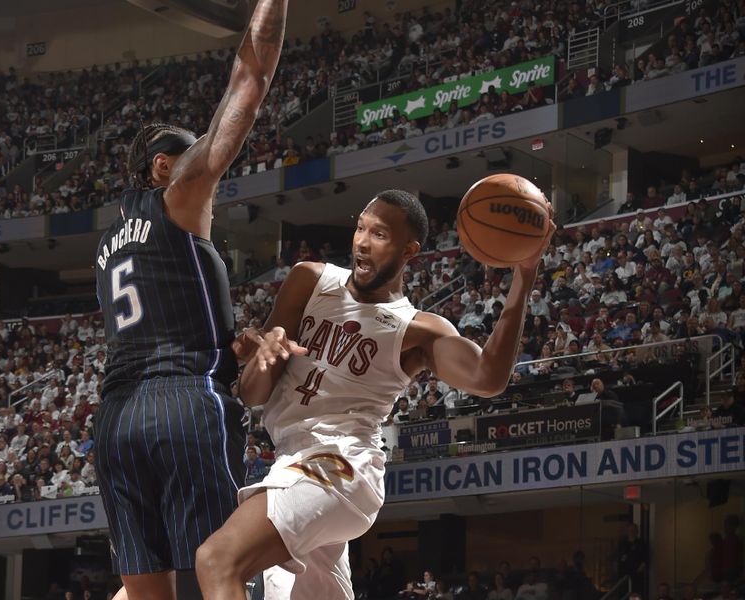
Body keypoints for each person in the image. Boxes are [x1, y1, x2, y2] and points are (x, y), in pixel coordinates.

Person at [195, 189, 555, 599]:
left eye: (379, 234)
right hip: (290, 462)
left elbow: (489, 378)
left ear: (409, 250)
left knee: (218, 559)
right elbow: (253, 394)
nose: (362, 241)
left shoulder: (416, 329)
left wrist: (525, 275)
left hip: (342, 464)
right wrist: (263, 358)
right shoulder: (309, 280)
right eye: (361, 228)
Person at [93, 1, 288, 599]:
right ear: (162, 168)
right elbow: (248, 83)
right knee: (220, 576)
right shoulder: (178, 197)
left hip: (114, 422)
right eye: (192, 153)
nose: (209, 167)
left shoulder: (105, 247)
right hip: (181, 401)